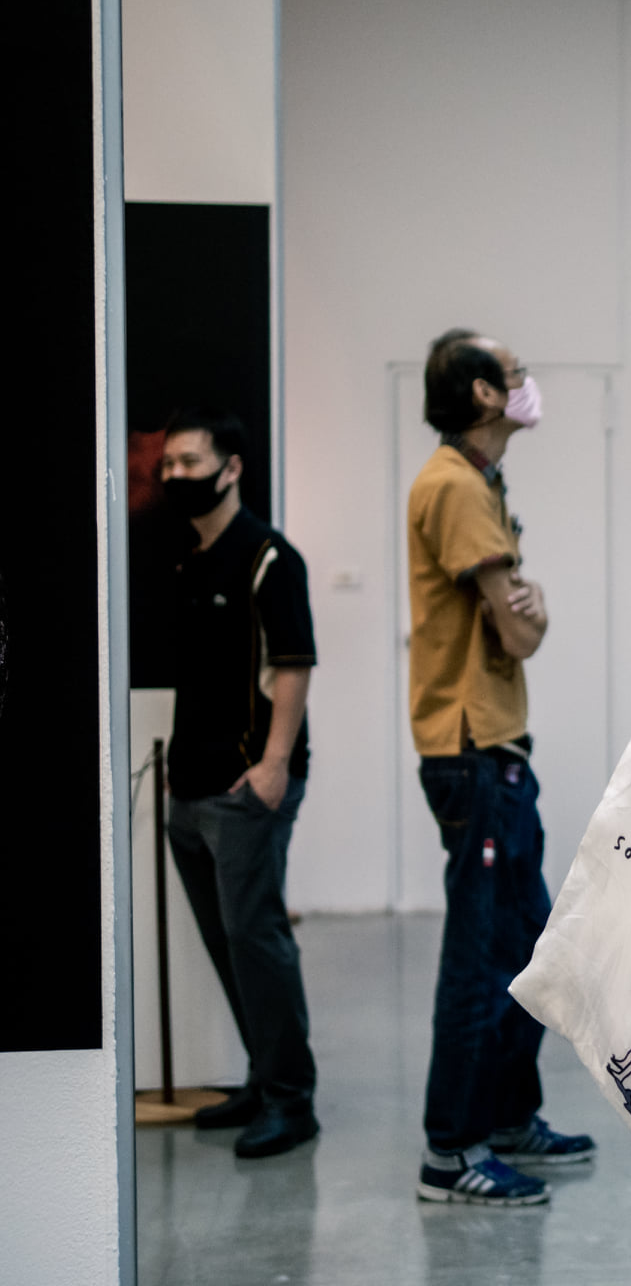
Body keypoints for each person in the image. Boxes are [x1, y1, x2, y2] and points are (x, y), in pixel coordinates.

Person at [407, 329, 594, 1206]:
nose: (525, 384)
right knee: (481, 958)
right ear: (484, 394)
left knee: (527, 943)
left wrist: (526, 609)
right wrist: (535, 610)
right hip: (473, 753)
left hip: (496, 750)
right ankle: (450, 1153)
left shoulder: (479, 479)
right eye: (514, 374)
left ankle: (510, 1115)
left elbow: (511, 619)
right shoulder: (453, 485)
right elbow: (518, 630)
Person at [160, 406, 319, 1158]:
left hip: (246, 789)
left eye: (189, 462)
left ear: (231, 469)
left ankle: (291, 1100)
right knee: (228, 943)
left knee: (257, 942)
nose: (175, 475)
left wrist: (273, 767)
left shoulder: (270, 558)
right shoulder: (189, 558)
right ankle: (262, 1078)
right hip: (188, 789)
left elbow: (294, 665)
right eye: (168, 464)